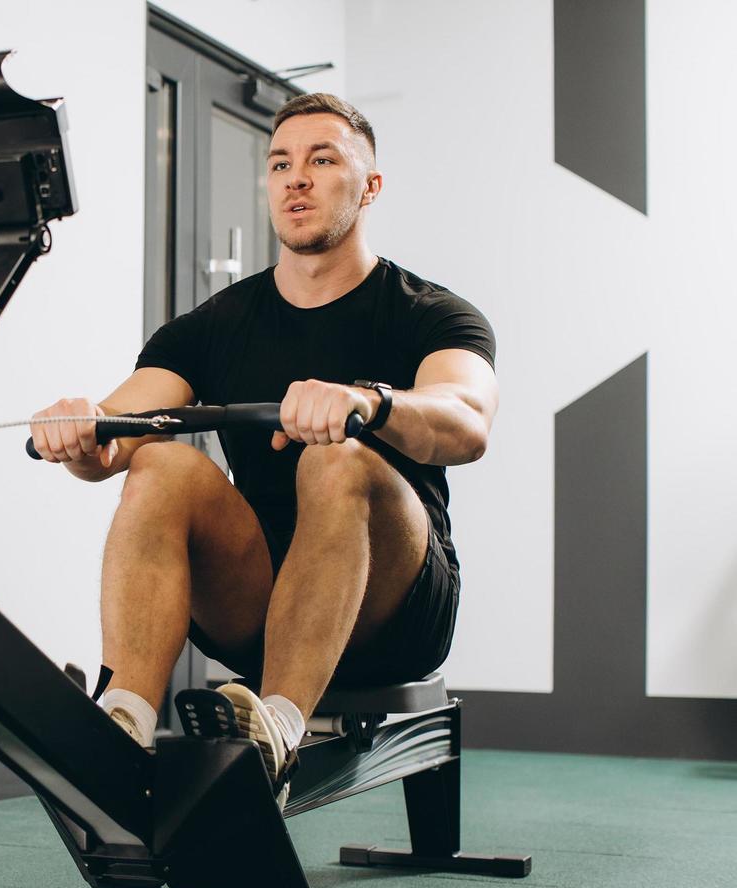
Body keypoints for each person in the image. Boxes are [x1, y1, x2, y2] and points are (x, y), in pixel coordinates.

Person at [28, 93, 498, 801]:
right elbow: (116, 435)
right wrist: (81, 429)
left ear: (370, 187)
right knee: (161, 461)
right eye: (280, 163)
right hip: (258, 603)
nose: (295, 178)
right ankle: (121, 725)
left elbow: (466, 421)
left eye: (322, 159)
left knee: (336, 457)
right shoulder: (214, 325)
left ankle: (276, 735)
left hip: (394, 610)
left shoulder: (431, 312)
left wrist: (369, 403)